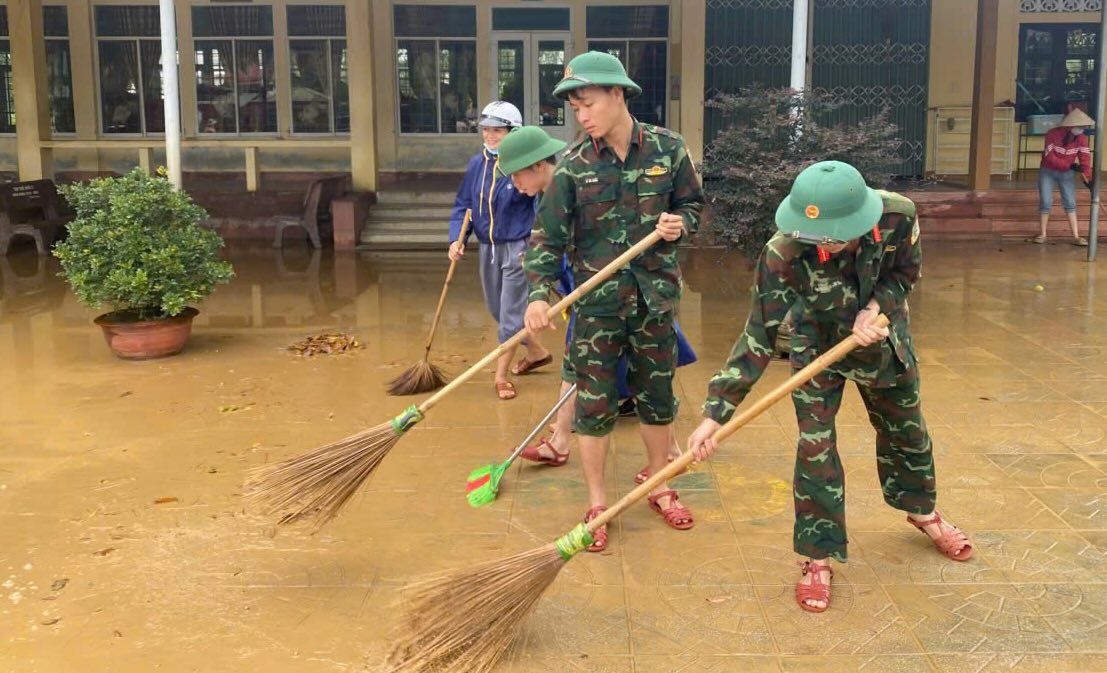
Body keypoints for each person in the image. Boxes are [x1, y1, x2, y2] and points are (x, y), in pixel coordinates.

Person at [687, 161, 974, 614]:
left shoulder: (897, 215)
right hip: (816, 346)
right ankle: (817, 558)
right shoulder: (783, 253)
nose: (826, 245)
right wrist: (714, 415)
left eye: (836, 235)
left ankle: (922, 512)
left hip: (881, 340)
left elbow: (904, 274)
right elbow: (757, 336)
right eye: (817, 236)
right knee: (815, 448)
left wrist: (876, 306)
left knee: (907, 432)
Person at [524, 52, 706, 552]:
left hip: (654, 303)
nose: (581, 117)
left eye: (587, 104)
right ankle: (598, 502)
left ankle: (660, 485)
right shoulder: (571, 169)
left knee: (658, 400)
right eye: (575, 109)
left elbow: (693, 204)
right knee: (595, 406)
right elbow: (546, 241)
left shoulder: (669, 150)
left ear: (618, 94)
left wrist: (680, 224)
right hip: (598, 308)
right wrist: (541, 295)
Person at [497, 126, 698, 482]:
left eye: (517, 175)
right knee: (577, 367)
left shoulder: (573, 179)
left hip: (621, 294)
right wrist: (540, 297)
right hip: (587, 296)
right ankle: (561, 441)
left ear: (539, 166)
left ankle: (668, 452)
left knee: (641, 379)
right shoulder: (550, 193)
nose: (515, 185)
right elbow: (547, 249)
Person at [448, 102, 552, 401]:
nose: (490, 136)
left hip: (518, 247)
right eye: (486, 130)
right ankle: (536, 351)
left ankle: (501, 375)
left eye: (498, 130)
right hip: (488, 248)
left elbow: (539, 205)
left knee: (509, 316)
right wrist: (457, 239)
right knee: (498, 309)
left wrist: (539, 247)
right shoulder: (476, 164)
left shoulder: (523, 165)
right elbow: (463, 206)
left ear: (513, 133)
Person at [1035, 108, 1094, 246]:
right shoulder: (1052, 134)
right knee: (1046, 201)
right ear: (1071, 126)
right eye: (1081, 127)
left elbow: (1085, 158)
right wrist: (1068, 165)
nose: (1082, 130)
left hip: (1066, 172)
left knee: (1070, 202)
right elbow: (1049, 157)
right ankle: (1043, 234)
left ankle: (1076, 236)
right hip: (1048, 171)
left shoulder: (1082, 139)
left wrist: (1088, 177)